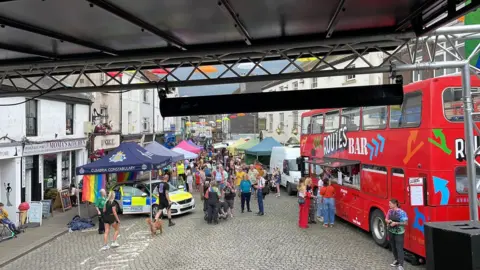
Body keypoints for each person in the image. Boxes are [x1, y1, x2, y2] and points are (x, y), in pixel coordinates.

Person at [386, 198, 408, 270]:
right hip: (391, 231)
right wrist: (389, 221)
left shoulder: (402, 212)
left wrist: (396, 223)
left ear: (395, 204)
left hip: (399, 233)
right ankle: (396, 260)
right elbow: (386, 219)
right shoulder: (390, 211)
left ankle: (401, 265)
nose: (389, 205)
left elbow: (406, 223)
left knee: (399, 248)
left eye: (390, 204)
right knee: (393, 246)